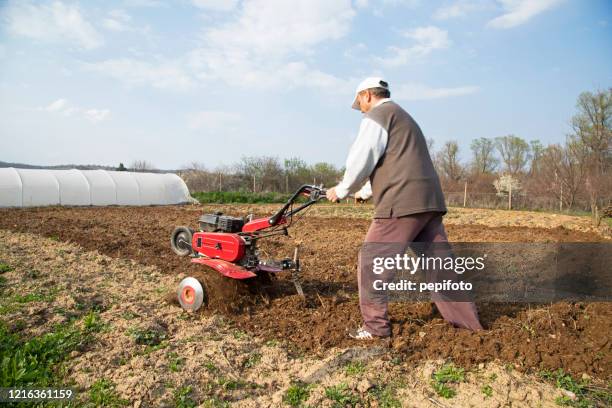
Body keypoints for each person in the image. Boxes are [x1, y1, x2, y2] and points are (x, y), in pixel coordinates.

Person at [326, 77, 483, 340]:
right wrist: (365, 192)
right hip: (428, 202)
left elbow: (363, 157)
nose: (360, 109)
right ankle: (471, 327)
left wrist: (342, 189)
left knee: (372, 262)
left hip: (401, 204)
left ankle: (375, 328)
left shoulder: (378, 116)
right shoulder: (404, 117)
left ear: (367, 95)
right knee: (440, 268)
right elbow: (398, 163)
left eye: (360, 103)